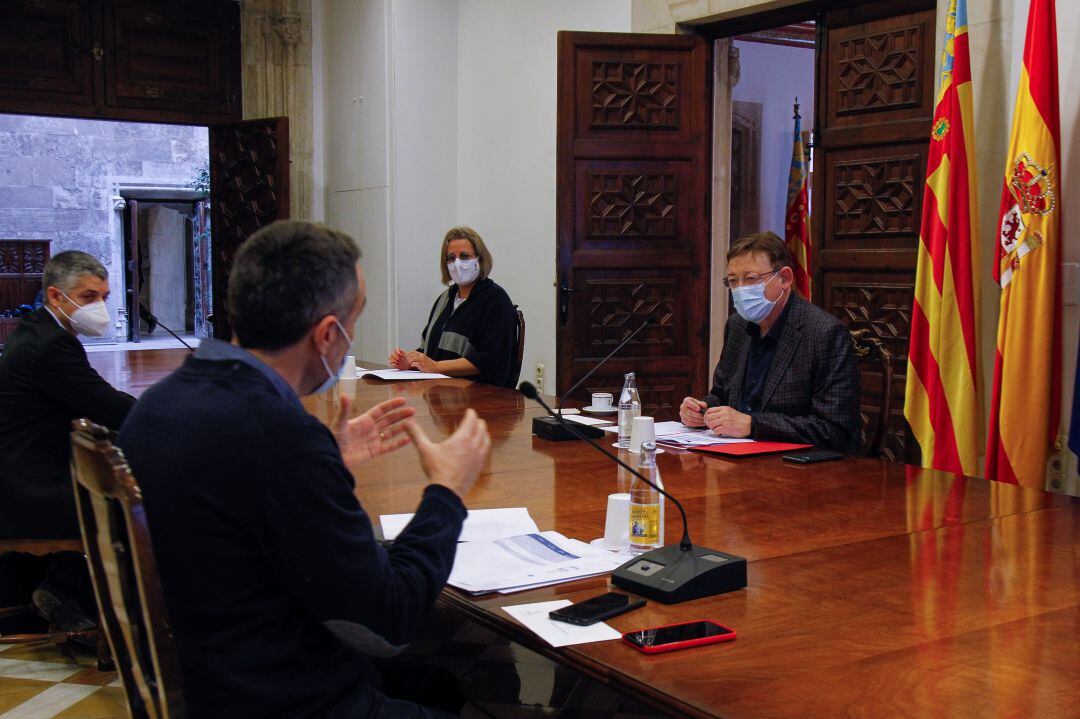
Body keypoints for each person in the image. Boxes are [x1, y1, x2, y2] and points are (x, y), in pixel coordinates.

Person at [117, 220, 491, 718]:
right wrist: (447, 490)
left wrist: (324, 465)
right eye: (354, 322)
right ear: (328, 335)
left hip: (212, 669)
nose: (352, 336)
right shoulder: (279, 437)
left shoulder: (159, 404)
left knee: (435, 685)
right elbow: (389, 622)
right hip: (277, 697)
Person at [0, 250, 135, 639]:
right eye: (89, 297)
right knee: (129, 498)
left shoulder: (39, 332)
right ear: (56, 296)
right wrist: (164, 420)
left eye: (105, 297)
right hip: (26, 487)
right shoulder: (49, 345)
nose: (100, 307)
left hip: (23, 472)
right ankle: (75, 593)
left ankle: (69, 590)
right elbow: (107, 404)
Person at [679, 232, 860, 453]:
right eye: (733, 281)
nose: (741, 289)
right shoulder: (738, 326)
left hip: (798, 468)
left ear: (784, 278)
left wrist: (753, 425)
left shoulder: (825, 333)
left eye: (751, 278)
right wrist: (703, 410)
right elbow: (722, 394)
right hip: (735, 457)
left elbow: (834, 430)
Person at [389, 226, 518, 387]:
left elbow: (492, 360)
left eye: (464, 256)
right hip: (440, 395)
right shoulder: (445, 298)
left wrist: (436, 367)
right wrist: (410, 361)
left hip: (480, 397)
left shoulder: (495, 300)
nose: (457, 263)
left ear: (480, 259)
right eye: (451, 257)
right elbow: (429, 350)